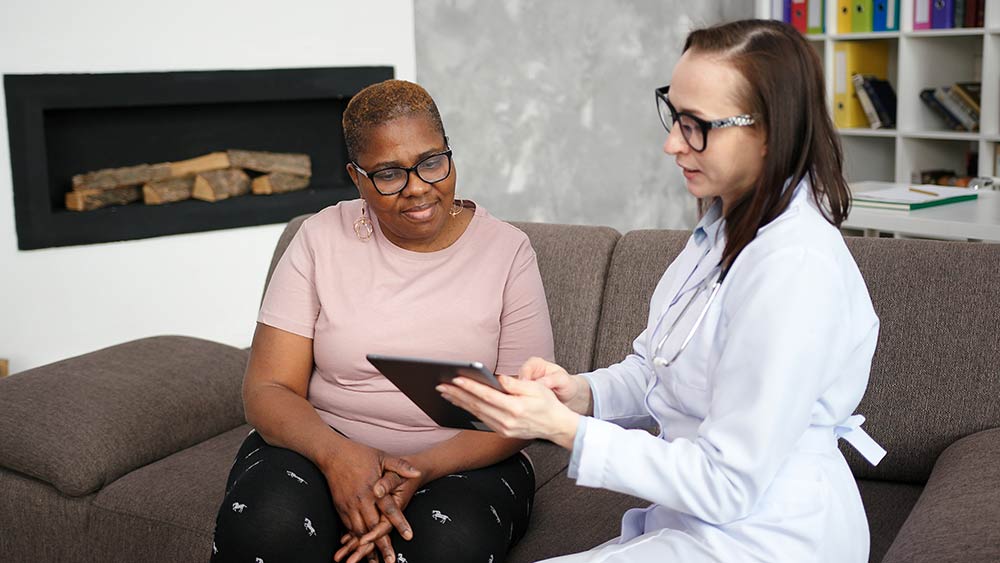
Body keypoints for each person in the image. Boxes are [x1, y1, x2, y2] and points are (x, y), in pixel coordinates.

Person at [439, 19, 886, 563]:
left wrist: (565, 430)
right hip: (699, 524)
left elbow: (727, 483)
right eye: (674, 116)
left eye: (695, 125)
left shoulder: (795, 270)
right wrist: (578, 394)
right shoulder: (720, 231)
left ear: (771, 130)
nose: (672, 143)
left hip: (771, 539)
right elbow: (659, 368)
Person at [210, 79, 554, 563]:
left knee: (445, 548)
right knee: (269, 525)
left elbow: (524, 411)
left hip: (461, 461)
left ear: (449, 152)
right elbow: (268, 388)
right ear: (356, 177)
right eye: (389, 174)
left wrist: (414, 469)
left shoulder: (508, 252)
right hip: (322, 446)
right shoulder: (319, 239)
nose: (418, 188)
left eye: (431, 162)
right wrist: (338, 457)